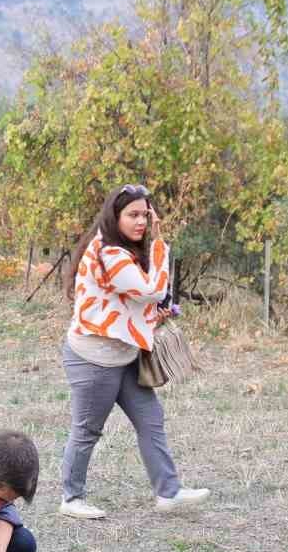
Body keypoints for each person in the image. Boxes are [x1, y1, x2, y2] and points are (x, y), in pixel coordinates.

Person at [58, 183, 209, 520]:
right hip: (94, 359)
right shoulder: (109, 254)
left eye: (145, 214)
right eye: (133, 215)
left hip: (122, 354)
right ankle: (71, 498)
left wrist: (155, 316)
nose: (141, 222)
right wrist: (159, 245)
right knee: (87, 430)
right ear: (115, 216)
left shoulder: (121, 248)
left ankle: (169, 492)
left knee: (150, 419)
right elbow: (151, 290)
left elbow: (130, 303)